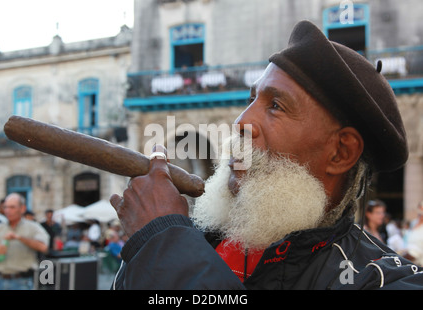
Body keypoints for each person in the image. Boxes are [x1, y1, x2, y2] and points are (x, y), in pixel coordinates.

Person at [109, 20, 423, 290]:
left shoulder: (385, 278)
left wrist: (164, 244)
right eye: (251, 99)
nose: (240, 122)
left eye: (276, 106)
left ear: (340, 152)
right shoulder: (200, 240)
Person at [0, 193, 49, 290]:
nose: (8, 210)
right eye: (6, 207)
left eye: (12, 207)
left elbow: (43, 247)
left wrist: (19, 238)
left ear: (22, 209)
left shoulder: (33, 228)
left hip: (22, 281)